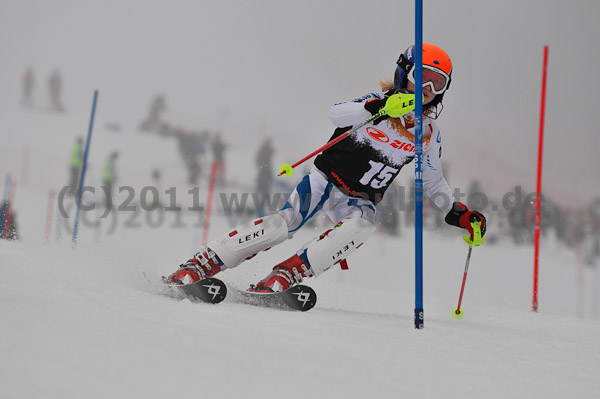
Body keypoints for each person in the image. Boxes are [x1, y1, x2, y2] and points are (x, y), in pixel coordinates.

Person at [164, 43, 487, 293]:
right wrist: (379, 107)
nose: (428, 89)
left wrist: (458, 213)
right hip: (325, 180)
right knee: (282, 225)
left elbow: (433, 181)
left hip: (361, 197)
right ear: (405, 73)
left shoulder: (427, 133)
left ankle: (288, 272)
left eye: (438, 83)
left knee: (362, 227)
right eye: (422, 78)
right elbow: (338, 114)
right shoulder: (374, 102)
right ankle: (204, 262)